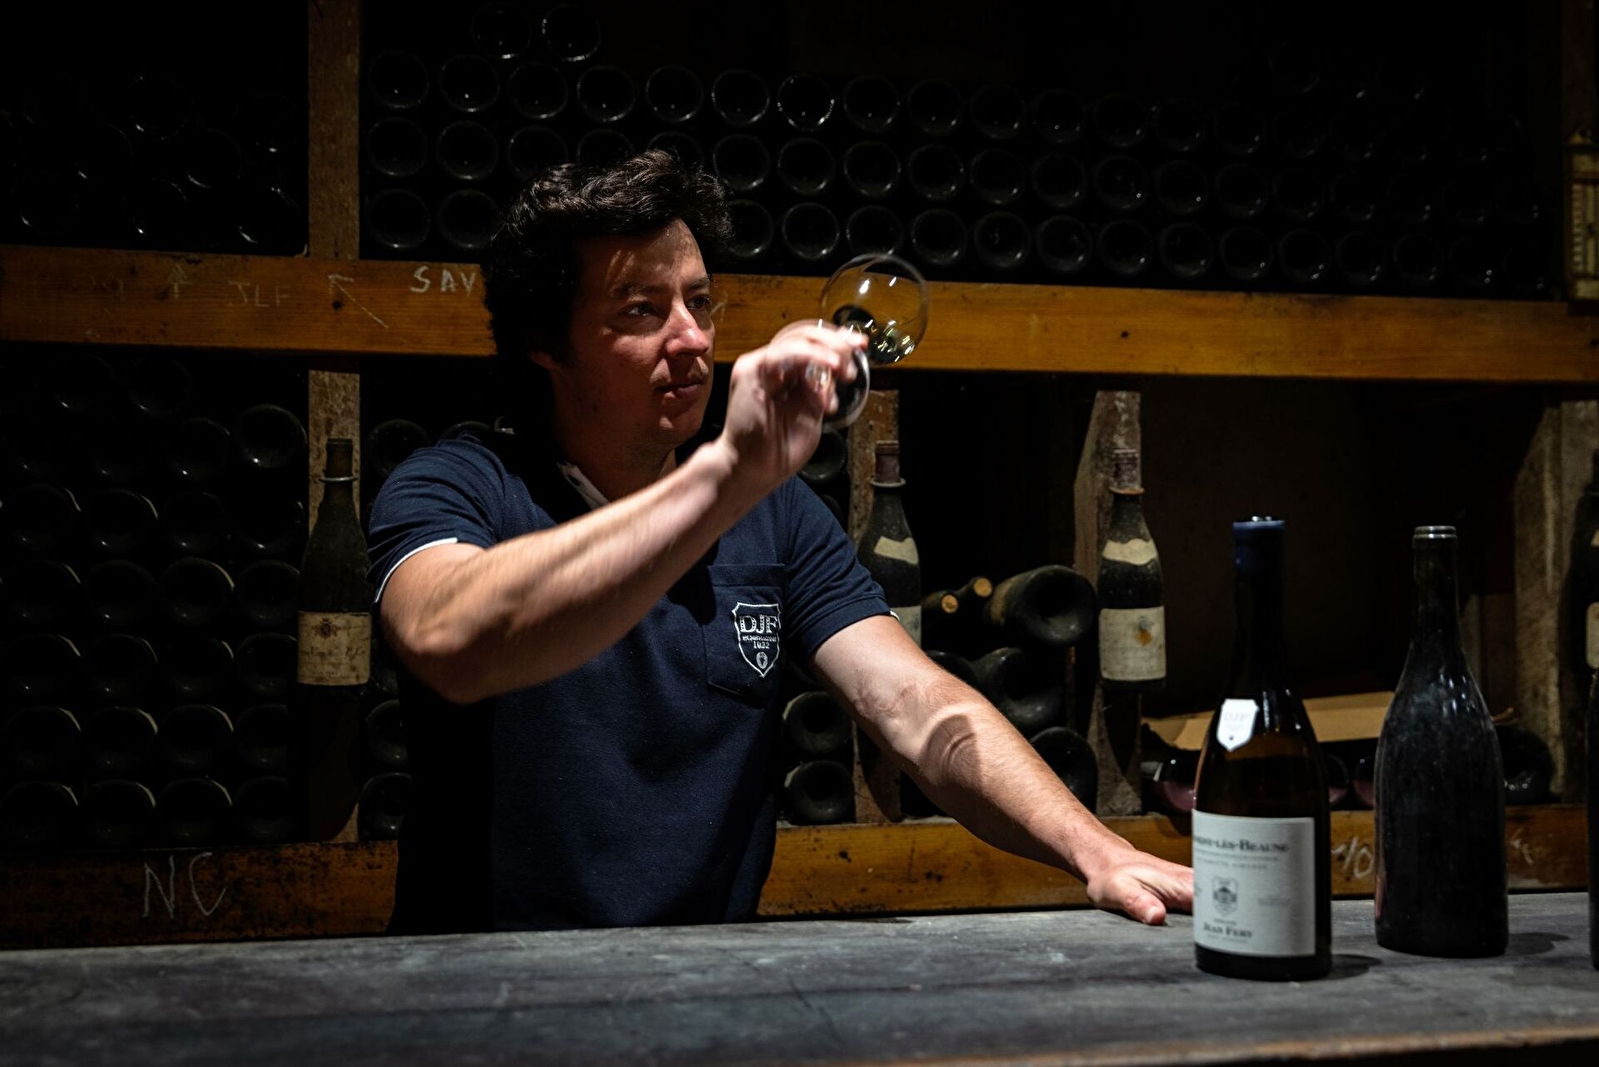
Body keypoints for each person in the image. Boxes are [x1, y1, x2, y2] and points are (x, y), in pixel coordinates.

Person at [366, 149, 1192, 934]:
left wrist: (1094, 849)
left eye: (699, 302)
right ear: (544, 342)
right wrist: (727, 472)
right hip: (489, 985)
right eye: (640, 311)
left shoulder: (775, 513)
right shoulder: (454, 487)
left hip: (705, 985)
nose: (692, 338)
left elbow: (915, 704)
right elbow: (451, 638)